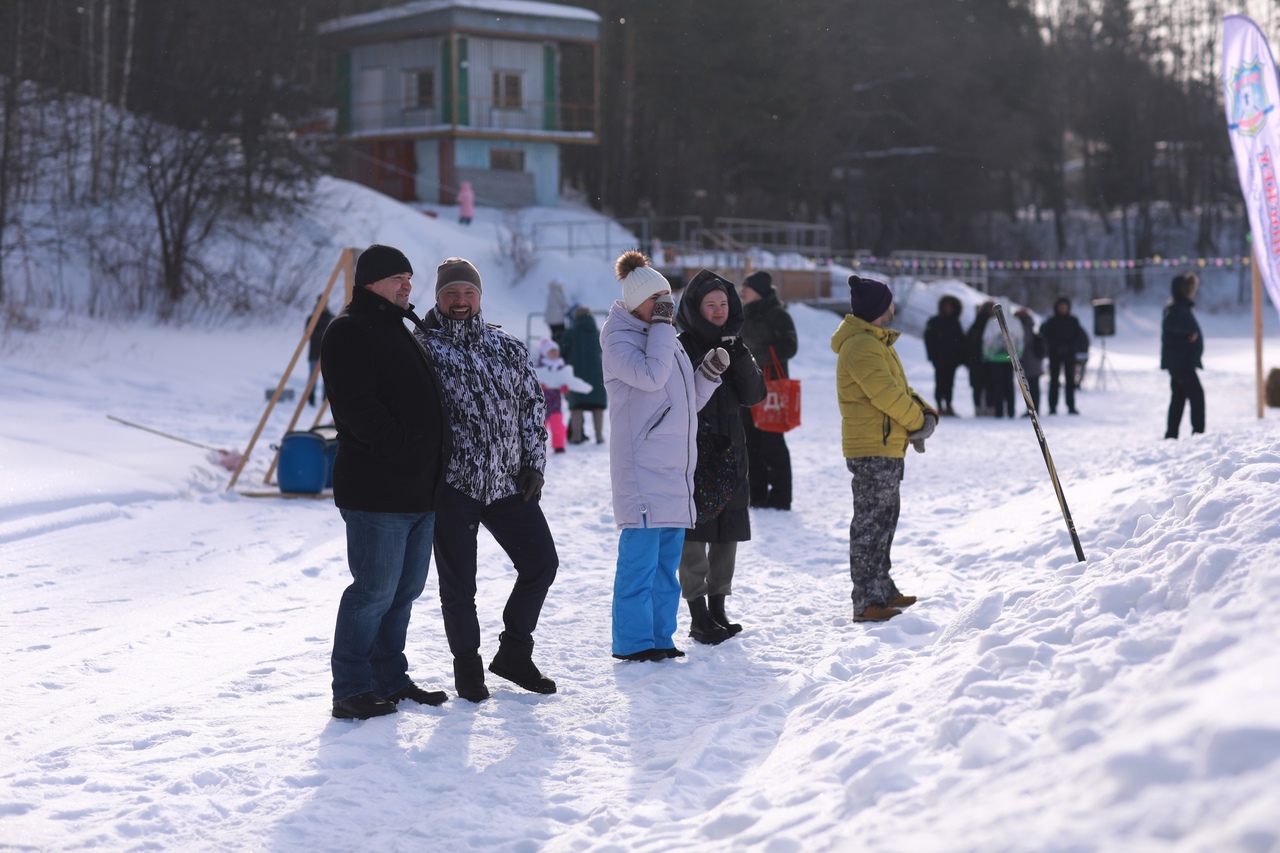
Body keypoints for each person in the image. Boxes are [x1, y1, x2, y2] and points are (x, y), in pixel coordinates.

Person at [416, 257, 558, 701]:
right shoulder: (423, 347)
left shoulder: (507, 346)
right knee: (459, 586)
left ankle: (515, 652)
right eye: (451, 293)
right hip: (453, 486)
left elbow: (532, 406)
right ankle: (468, 670)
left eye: (468, 293)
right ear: (438, 298)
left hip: (506, 484)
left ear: (480, 297)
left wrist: (534, 463)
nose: (460, 301)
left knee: (541, 563)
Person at [320, 244, 452, 720]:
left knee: (403, 592)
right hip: (377, 489)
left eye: (410, 279)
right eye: (398, 278)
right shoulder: (349, 331)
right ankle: (351, 688)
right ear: (371, 281)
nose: (407, 287)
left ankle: (388, 678)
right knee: (373, 591)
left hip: (419, 489)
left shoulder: (400, 328)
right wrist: (407, 449)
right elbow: (358, 410)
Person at [602, 250, 724, 662]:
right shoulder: (618, 341)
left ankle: (659, 638)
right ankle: (634, 644)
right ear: (636, 302)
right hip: (641, 472)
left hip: (673, 471)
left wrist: (706, 375)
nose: (665, 308)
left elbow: (684, 402)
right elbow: (652, 379)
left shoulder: (662, 338)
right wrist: (661, 326)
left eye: (667, 300)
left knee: (665, 569)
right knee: (639, 566)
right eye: (657, 301)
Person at [832, 275, 937, 623]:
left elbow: (899, 388)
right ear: (880, 308)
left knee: (884, 521)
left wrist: (924, 409)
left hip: (886, 445)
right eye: (890, 301)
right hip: (872, 447)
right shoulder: (862, 346)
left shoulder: (876, 343)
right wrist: (917, 422)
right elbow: (887, 396)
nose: (894, 307)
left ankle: (882, 588)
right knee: (870, 525)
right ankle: (866, 600)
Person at [677, 270, 766, 642]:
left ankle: (718, 608)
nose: (717, 310)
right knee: (695, 532)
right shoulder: (681, 344)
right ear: (696, 308)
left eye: (723, 304)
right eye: (709, 304)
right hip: (695, 449)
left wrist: (738, 352)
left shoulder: (736, 344)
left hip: (731, 450)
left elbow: (755, 394)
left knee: (727, 528)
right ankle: (698, 613)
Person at [739, 271, 798, 508]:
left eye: (747, 287)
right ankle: (757, 493)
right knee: (750, 442)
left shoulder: (779, 315)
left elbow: (790, 347)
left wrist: (753, 357)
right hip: (747, 387)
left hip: (772, 388)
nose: (742, 291)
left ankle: (781, 496)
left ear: (760, 290)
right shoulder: (742, 315)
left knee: (772, 443)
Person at [1162, 272, 1205, 438]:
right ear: (1182, 289)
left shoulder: (1179, 306)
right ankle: (1199, 434)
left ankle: (1171, 434)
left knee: (1179, 398)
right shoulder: (1175, 307)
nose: (1192, 291)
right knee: (1197, 396)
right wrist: (1190, 335)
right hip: (1181, 363)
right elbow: (1172, 328)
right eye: (1190, 288)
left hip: (1181, 362)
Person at [535, 337, 591, 454]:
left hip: (555, 403)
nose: (554, 354)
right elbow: (531, 384)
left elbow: (565, 382)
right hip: (540, 403)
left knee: (558, 425)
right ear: (545, 353)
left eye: (556, 351)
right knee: (540, 426)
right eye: (551, 352)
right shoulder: (538, 368)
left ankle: (559, 445)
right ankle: (536, 447)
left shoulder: (561, 367)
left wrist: (564, 388)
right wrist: (540, 386)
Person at [561, 306, 608, 444]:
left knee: (577, 406)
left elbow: (561, 349)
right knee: (597, 406)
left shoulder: (571, 333)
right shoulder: (597, 333)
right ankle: (599, 436)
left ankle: (576, 436)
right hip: (596, 375)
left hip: (577, 374)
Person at [1040, 296, 1088, 415]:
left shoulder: (1073, 321)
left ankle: (1071, 406)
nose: (1063, 309)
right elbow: (1045, 336)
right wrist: (1056, 347)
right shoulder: (1051, 321)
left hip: (1069, 354)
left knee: (1070, 381)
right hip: (1055, 354)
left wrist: (1070, 347)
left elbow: (1079, 337)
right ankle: (1052, 406)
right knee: (1054, 380)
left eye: (1065, 307)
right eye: (1061, 307)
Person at [923, 295, 965, 416]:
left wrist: (960, 357)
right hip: (939, 359)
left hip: (952, 360)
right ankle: (940, 406)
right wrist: (933, 356)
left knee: (950, 384)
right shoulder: (934, 322)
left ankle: (948, 405)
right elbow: (929, 340)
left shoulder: (955, 322)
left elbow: (960, 341)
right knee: (940, 383)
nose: (948, 309)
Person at [980, 303, 1022, 419]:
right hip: (1003, 359)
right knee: (1006, 385)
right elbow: (1020, 339)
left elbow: (986, 339)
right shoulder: (1010, 321)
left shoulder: (996, 322)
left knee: (1001, 385)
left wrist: (988, 354)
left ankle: (1003, 411)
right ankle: (1008, 410)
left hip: (1001, 359)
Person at [965, 302, 996, 416]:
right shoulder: (992, 324)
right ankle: (989, 407)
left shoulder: (975, 325)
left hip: (976, 360)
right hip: (988, 360)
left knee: (978, 386)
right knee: (988, 385)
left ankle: (979, 408)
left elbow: (968, 343)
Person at [1013, 307, 1045, 416]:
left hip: (1029, 359)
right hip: (1034, 360)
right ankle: (1034, 409)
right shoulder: (1029, 325)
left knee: (1032, 386)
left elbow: (1024, 344)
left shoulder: (1022, 326)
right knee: (1033, 385)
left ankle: (1033, 409)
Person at [306, 296, 334, 407]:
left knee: (327, 377)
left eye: (326, 302)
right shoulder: (312, 318)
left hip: (327, 352)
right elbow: (309, 334)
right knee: (313, 376)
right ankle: (311, 397)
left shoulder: (330, 317)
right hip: (315, 352)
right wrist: (324, 332)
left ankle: (325, 398)